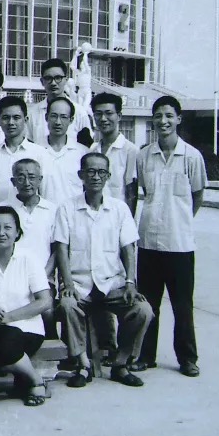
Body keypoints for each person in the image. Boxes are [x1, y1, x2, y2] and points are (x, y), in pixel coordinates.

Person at [54, 153, 154, 389]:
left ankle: (121, 363)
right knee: (67, 305)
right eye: (90, 171)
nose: (96, 177)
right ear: (81, 175)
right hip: (80, 285)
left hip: (112, 284)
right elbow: (61, 248)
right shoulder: (67, 208)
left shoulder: (119, 209)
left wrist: (130, 283)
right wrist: (67, 283)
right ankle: (83, 365)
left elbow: (128, 248)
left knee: (143, 310)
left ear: (108, 176)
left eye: (101, 172)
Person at [133, 95, 207, 378]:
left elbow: (197, 196)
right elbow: (144, 193)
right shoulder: (144, 156)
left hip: (179, 244)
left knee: (182, 305)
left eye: (168, 115)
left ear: (178, 119)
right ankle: (145, 356)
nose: (163, 121)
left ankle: (188, 358)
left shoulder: (192, 156)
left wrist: (180, 220)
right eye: (158, 116)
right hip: (149, 242)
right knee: (148, 304)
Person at [0, 207, 52, 409]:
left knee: (6, 343)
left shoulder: (29, 259)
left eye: (7, 228)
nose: (1, 233)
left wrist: (10, 317)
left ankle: (36, 381)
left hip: (26, 328)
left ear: (17, 232)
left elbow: (45, 301)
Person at [0, 95, 56, 204]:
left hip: (31, 213)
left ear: (25, 120)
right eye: (6, 118)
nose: (11, 122)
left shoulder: (40, 153)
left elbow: (46, 192)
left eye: (16, 118)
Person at [90, 93, 139, 215]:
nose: (103, 118)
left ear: (119, 116)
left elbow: (131, 193)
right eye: (98, 114)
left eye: (109, 113)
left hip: (118, 217)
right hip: (94, 216)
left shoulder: (130, 150)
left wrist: (128, 222)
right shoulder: (93, 150)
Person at [27, 58, 91, 145]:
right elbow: (28, 145)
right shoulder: (32, 113)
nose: (53, 83)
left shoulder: (79, 112)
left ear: (66, 80)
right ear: (42, 81)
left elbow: (87, 145)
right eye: (48, 78)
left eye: (58, 78)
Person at [42, 96, 88, 205]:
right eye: (54, 116)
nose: (58, 122)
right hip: (44, 213)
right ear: (46, 117)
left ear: (71, 120)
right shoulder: (35, 151)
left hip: (74, 213)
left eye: (63, 117)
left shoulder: (83, 153)